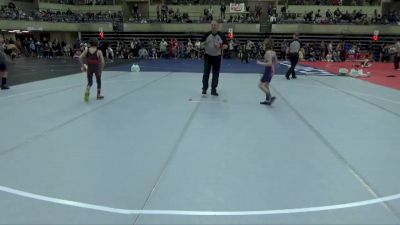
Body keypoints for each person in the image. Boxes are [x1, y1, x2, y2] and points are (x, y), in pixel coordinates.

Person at [201, 20, 228, 96]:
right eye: (212, 25)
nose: (213, 26)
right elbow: (201, 45)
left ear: (218, 26)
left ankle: (213, 90)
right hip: (207, 57)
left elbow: (226, 46)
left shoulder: (221, 35)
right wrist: (205, 42)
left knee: (215, 74)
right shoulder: (207, 34)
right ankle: (204, 89)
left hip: (217, 57)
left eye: (215, 25)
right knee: (206, 73)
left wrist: (220, 46)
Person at [257, 39, 278, 105]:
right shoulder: (273, 52)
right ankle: (268, 100)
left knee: (260, 85)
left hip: (268, 70)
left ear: (266, 45)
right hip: (272, 71)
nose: (263, 46)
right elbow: (276, 62)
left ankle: (270, 97)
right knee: (266, 85)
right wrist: (273, 70)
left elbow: (269, 63)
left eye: (263, 44)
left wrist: (260, 63)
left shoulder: (267, 53)